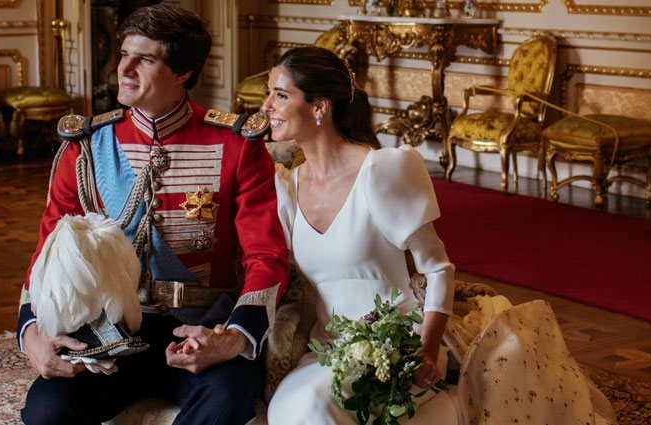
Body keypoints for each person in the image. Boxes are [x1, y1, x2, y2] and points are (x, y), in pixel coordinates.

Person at [262, 46, 618, 425]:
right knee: (291, 409)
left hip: (398, 344)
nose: (266, 105)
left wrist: (428, 348)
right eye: (269, 93)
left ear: (320, 107)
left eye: (280, 95)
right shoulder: (286, 187)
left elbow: (438, 269)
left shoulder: (380, 172)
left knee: (317, 410)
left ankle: (444, 402)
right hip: (329, 351)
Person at [17, 4, 289, 425]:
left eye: (144, 59)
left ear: (183, 72)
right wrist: (32, 334)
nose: (124, 68)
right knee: (46, 412)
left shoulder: (238, 147)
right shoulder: (86, 148)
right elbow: (49, 251)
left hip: (201, 328)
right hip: (110, 330)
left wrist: (233, 339)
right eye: (125, 54)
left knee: (226, 402)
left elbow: (266, 257)